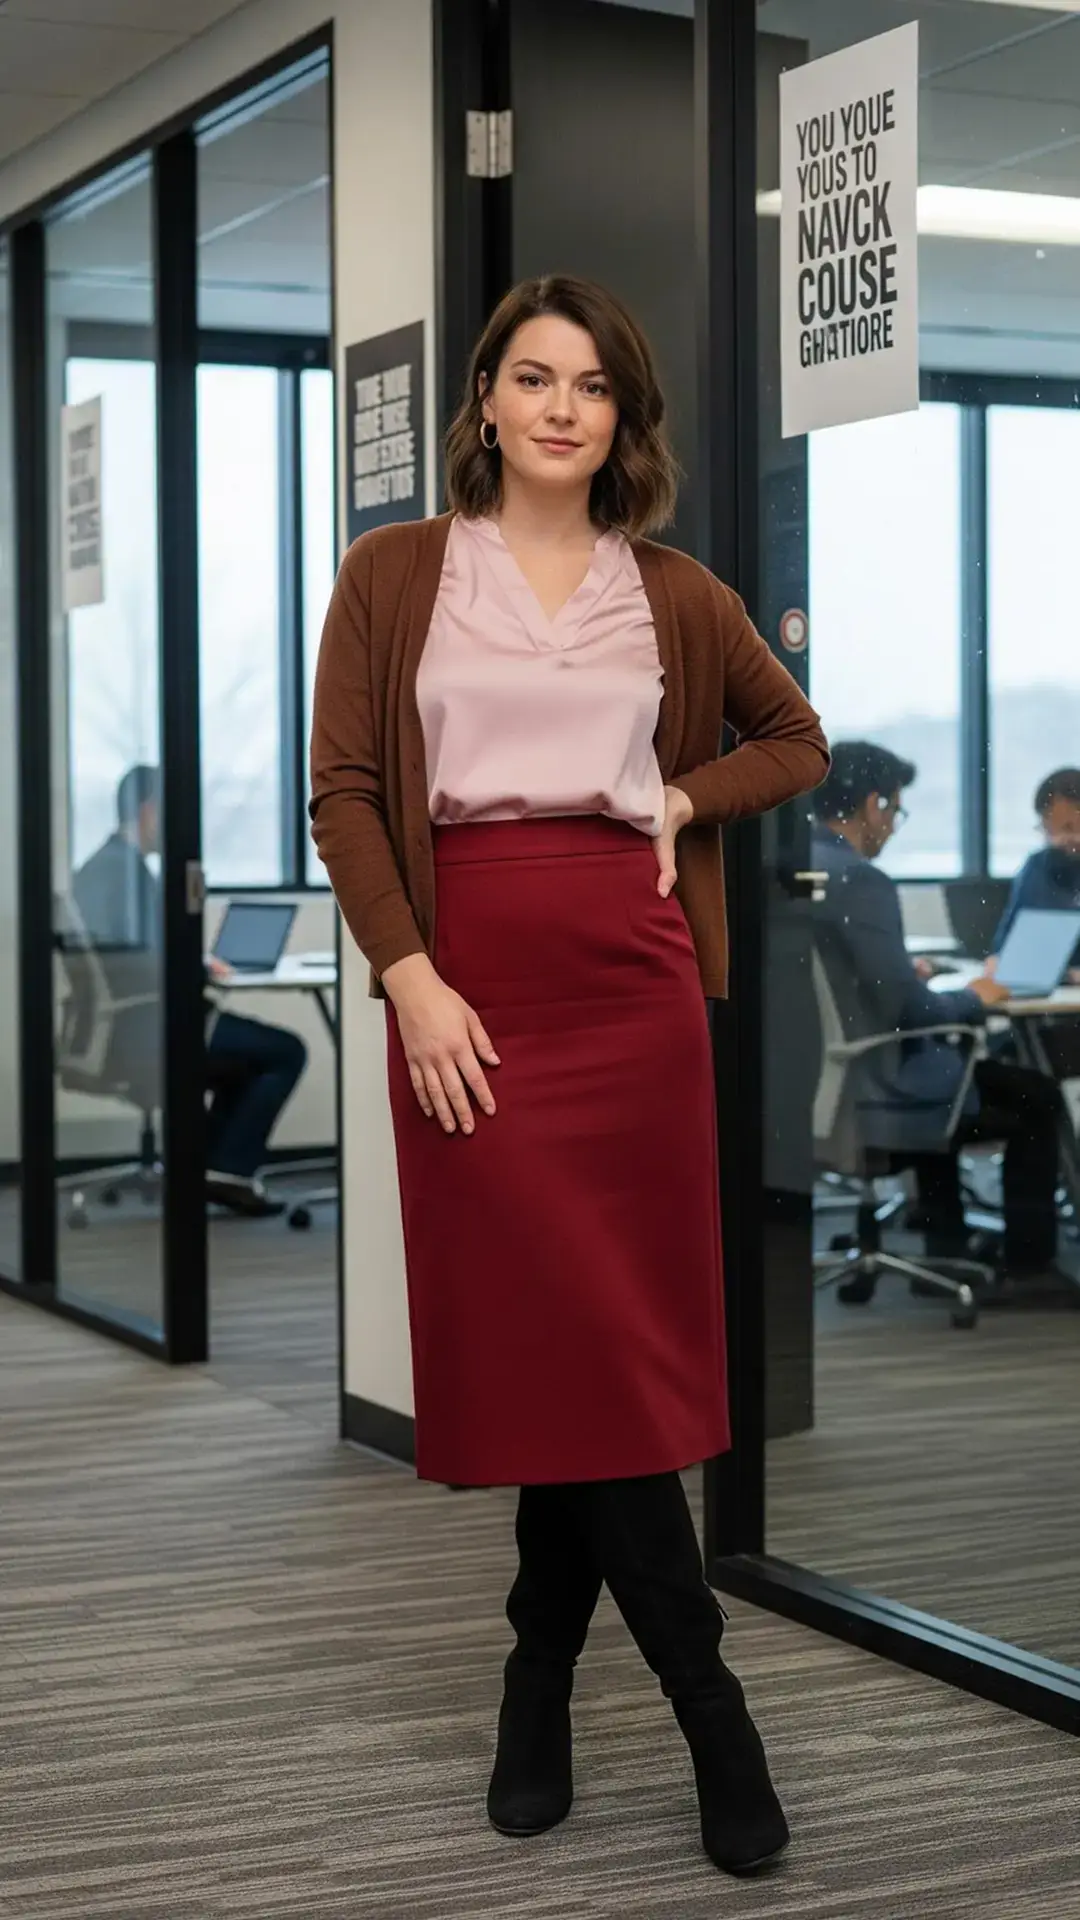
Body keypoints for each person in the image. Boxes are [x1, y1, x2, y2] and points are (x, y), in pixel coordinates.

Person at [310, 274, 829, 1877]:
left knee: (600, 1370)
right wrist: (412, 982)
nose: (558, 407)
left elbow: (796, 738)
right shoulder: (397, 573)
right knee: (564, 1361)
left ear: (623, 418)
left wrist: (677, 807)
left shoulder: (667, 586)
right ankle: (706, 1710)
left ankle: (539, 1688)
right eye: (530, 378)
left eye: (590, 386)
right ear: (483, 401)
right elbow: (343, 790)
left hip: (629, 993)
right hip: (468, 994)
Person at [811, 742, 1063, 1287]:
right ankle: (1028, 1266)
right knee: (1036, 1095)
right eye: (896, 811)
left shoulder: (800, 863)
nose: (894, 827)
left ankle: (943, 1243)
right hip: (881, 1084)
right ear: (874, 804)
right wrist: (977, 998)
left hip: (827, 1079)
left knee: (958, 1064)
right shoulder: (860, 879)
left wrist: (904, 971)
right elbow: (913, 1010)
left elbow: (862, 984)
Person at [73, 764, 307, 1218]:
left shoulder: (110, 868)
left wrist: (194, 964)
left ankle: (212, 1170)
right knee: (285, 1051)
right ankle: (226, 1171)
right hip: (152, 1025)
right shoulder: (119, 875)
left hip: (140, 1020)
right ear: (148, 811)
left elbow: (133, 951)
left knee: (251, 1058)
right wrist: (196, 969)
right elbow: (134, 960)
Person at [989, 767, 1080, 1080]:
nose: (1061, 840)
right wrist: (997, 961)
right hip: (1044, 1006)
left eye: (1069, 826)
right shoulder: (1039, 865)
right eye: (1049, 829)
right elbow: (1004, 942)